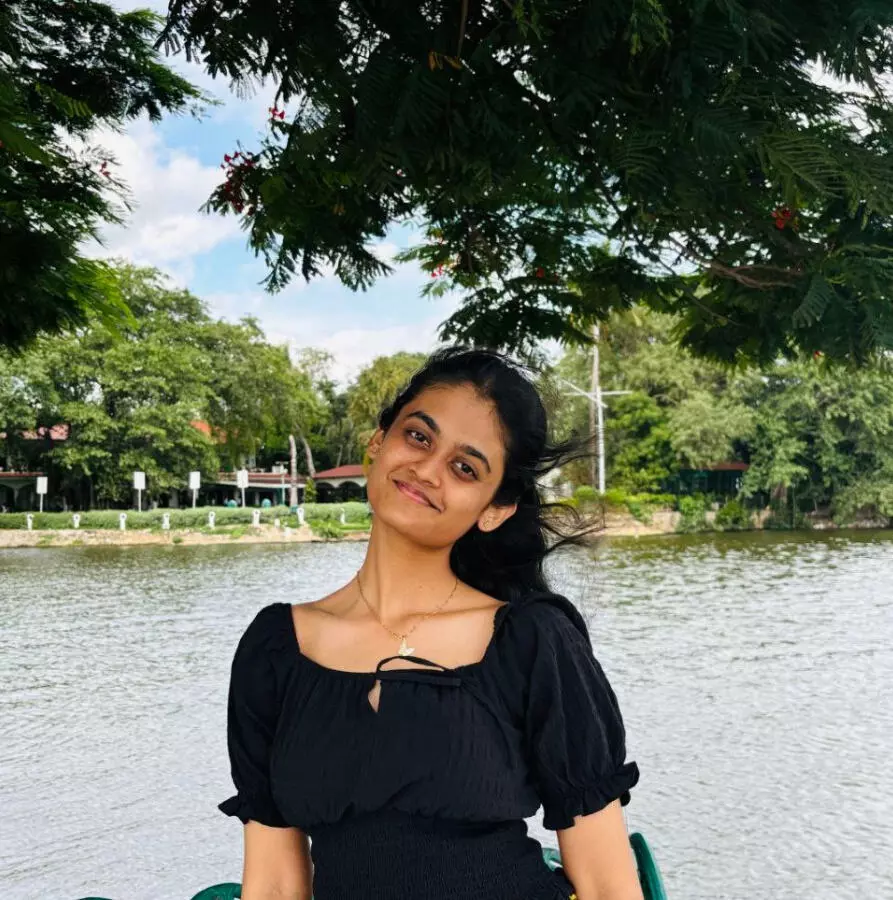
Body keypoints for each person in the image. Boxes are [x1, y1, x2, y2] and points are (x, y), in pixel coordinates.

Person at [218, 346, 642, 900]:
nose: (427, 470)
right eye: (419, 437)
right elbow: (274, 884)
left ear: (495, 508)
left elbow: (608, 884)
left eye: (465, 468)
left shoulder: (532, 641)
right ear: (379, 442)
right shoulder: (276, 650)